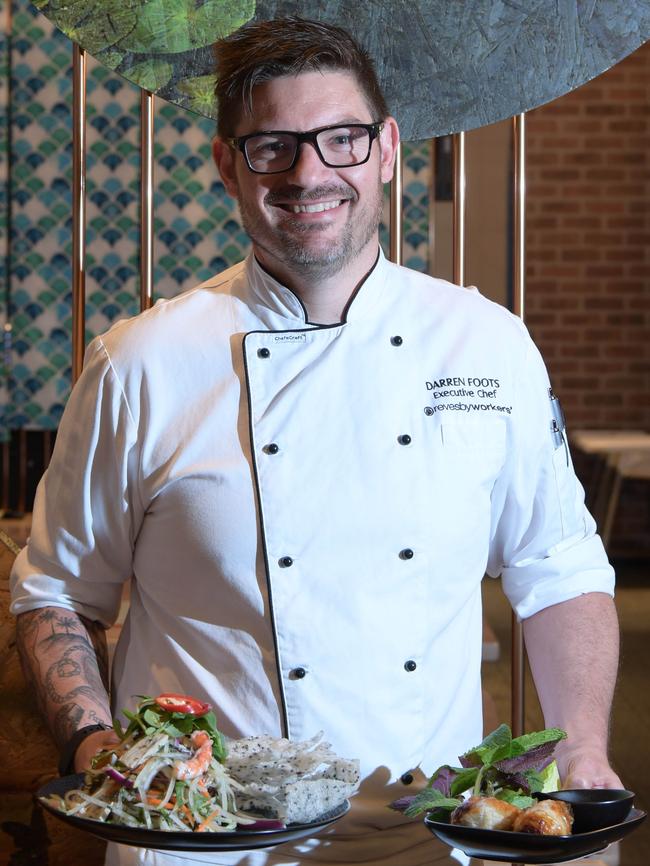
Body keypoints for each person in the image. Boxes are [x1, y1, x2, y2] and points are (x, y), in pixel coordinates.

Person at [11, 16, 621, 866]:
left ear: (386, 150)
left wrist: (582, 748)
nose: (310, 174)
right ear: (228, 164)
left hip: (431, 833)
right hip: (204, 840)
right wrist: (97, 753)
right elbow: (56, 595)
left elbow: (558, 567)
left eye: (341, 139)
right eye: (273, 146)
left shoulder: (485, 343)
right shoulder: (140, 364)